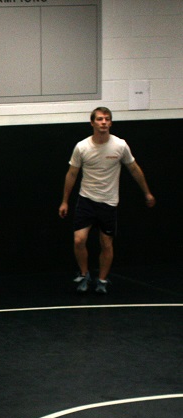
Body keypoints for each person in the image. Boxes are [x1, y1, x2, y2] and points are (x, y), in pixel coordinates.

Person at [58, 106, 156, 294]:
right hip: (86, 200)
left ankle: (102, 279)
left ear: (110, 123)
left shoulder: (120, 146)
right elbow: (72, 174)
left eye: (107, 119)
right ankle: (84, 273)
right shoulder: (82, 147)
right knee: (79, 240)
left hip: (109, 203)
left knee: (106, 243)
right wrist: (65, 201)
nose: (103, 122)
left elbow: (133, 169)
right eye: (100, 119)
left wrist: (147, 192)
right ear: (92, 122)